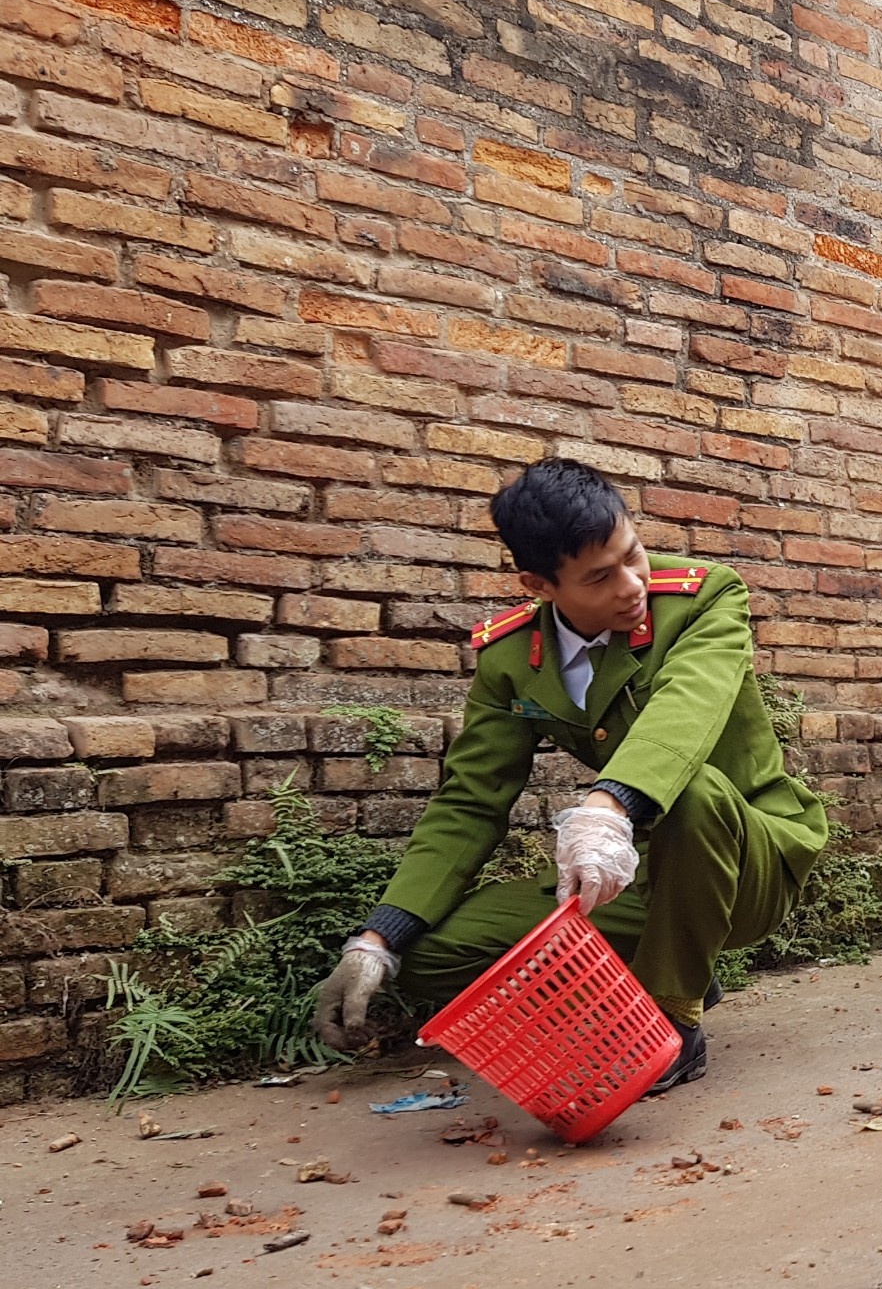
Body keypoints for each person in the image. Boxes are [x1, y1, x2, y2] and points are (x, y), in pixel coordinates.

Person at [312, 458, 831, 1094]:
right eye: (599, 577)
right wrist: (377, 939)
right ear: (539, 584)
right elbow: (470, 803)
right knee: (430, 955)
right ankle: (662, 963)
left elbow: (685, 707)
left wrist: (609, 807)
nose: (632, 585)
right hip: (646, 875)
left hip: (749, 859)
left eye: (633, 554)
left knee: (691, 790)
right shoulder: (510, 658)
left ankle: (671, 1018)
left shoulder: (705, 598)